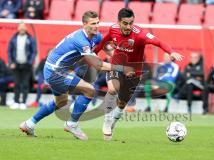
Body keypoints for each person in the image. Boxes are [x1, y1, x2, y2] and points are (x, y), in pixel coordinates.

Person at [19, 11, 134, 140]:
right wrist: (123, 69)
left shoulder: (96, 36)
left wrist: (125, 58)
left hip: (56, 70)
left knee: (60, 102)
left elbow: (110, 51)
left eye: (97, 23)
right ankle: (72, 124)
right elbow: (98, 65)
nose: (96, 26)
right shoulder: (80, 40)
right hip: (55, 72)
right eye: (92, 24)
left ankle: (29, 124)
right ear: (84, 24)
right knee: (89, 90)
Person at [94, 8, 183, 140]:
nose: (128, 26)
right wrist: (93, 53)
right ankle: (107, 122)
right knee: (112, 89)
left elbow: (158, 42)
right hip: (117, 67)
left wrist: (171, 52)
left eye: (131, 23)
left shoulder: (140, 35)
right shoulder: (113, 29)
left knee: (122, 103)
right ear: (118, 22)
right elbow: (103, 41)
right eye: (125, 23)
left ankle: (113, 123)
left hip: (134, 72)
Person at [8, 22, 37, 110]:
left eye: (23, 27)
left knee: (25, 84)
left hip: (26, 64)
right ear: (18, 28)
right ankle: (16, 102)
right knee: (16, 83)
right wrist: (11, 62)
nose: (22, 29)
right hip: (16, 64)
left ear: (26, 28)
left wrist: (30, 62)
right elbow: (10, 52)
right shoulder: (13, 39)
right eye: (20, 27)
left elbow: (33, 52)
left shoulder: (30, 39)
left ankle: (23, 102)